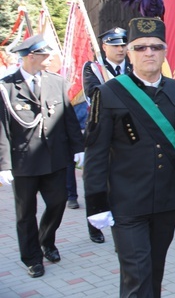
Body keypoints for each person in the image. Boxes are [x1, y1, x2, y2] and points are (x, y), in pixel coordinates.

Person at [83, 17, 175, 298]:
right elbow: (96, 153)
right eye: (140, 48)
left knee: (154, 272)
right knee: (137, 275)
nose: (149, 53)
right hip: (127, 203)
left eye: (156, 46)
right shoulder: (109, 93)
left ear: (165, 51)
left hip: (166, 201)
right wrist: (95, 203)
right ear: (129, 53)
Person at [0, 34, 84, 278]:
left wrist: (78, 148)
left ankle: (46, 240)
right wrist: (3, 164)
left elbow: (67, 118)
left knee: (57, 203)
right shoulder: (7, 88)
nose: (50, 60)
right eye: (46, 56)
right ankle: (32, 258)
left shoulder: (56, 82)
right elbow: (2, 129)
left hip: (55, 159)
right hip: (24, 162)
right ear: (30, 57)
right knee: (25, 213)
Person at [67, 27, 131, 246]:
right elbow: (93, 95)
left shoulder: (133, 67)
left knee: (125, 179)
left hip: (129, 133)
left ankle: (123, 221)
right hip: (101, 131)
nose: (120, 49)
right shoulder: (93, 68)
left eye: (123, 44)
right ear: (104, 47)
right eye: (115, 45)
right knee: (98, 179)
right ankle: (94, 225)